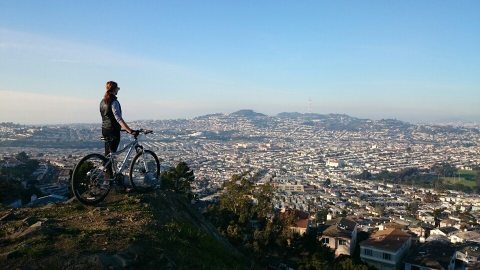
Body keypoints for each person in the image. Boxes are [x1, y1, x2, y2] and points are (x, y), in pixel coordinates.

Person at [99, 81, 137, 177]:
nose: (118, 91)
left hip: (104, 130)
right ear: (114, 89)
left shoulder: (102, 101)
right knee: (111, 157)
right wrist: (130, 130)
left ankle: (108, 179)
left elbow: (105, 117)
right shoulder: (114, 102)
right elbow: (118, 118)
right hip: (113, 131)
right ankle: (109, 181)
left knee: (107, 156)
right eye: (117, 89)